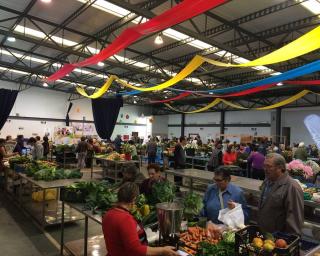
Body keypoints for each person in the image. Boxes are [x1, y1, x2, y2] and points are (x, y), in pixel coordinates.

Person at [102, 182, 179, 256]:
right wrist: (162, 250)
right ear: (133, 199)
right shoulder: (125, 219)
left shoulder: (108, 214)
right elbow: (135, 249)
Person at [258, 153, 304, 235]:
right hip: (265, 235)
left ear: (280, 168)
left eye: (269, 166)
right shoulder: (267, 181)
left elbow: (295, 220)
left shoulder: (291, 187)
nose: (265, 169)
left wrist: (290, 242)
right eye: (264, 166)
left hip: (279, 239)